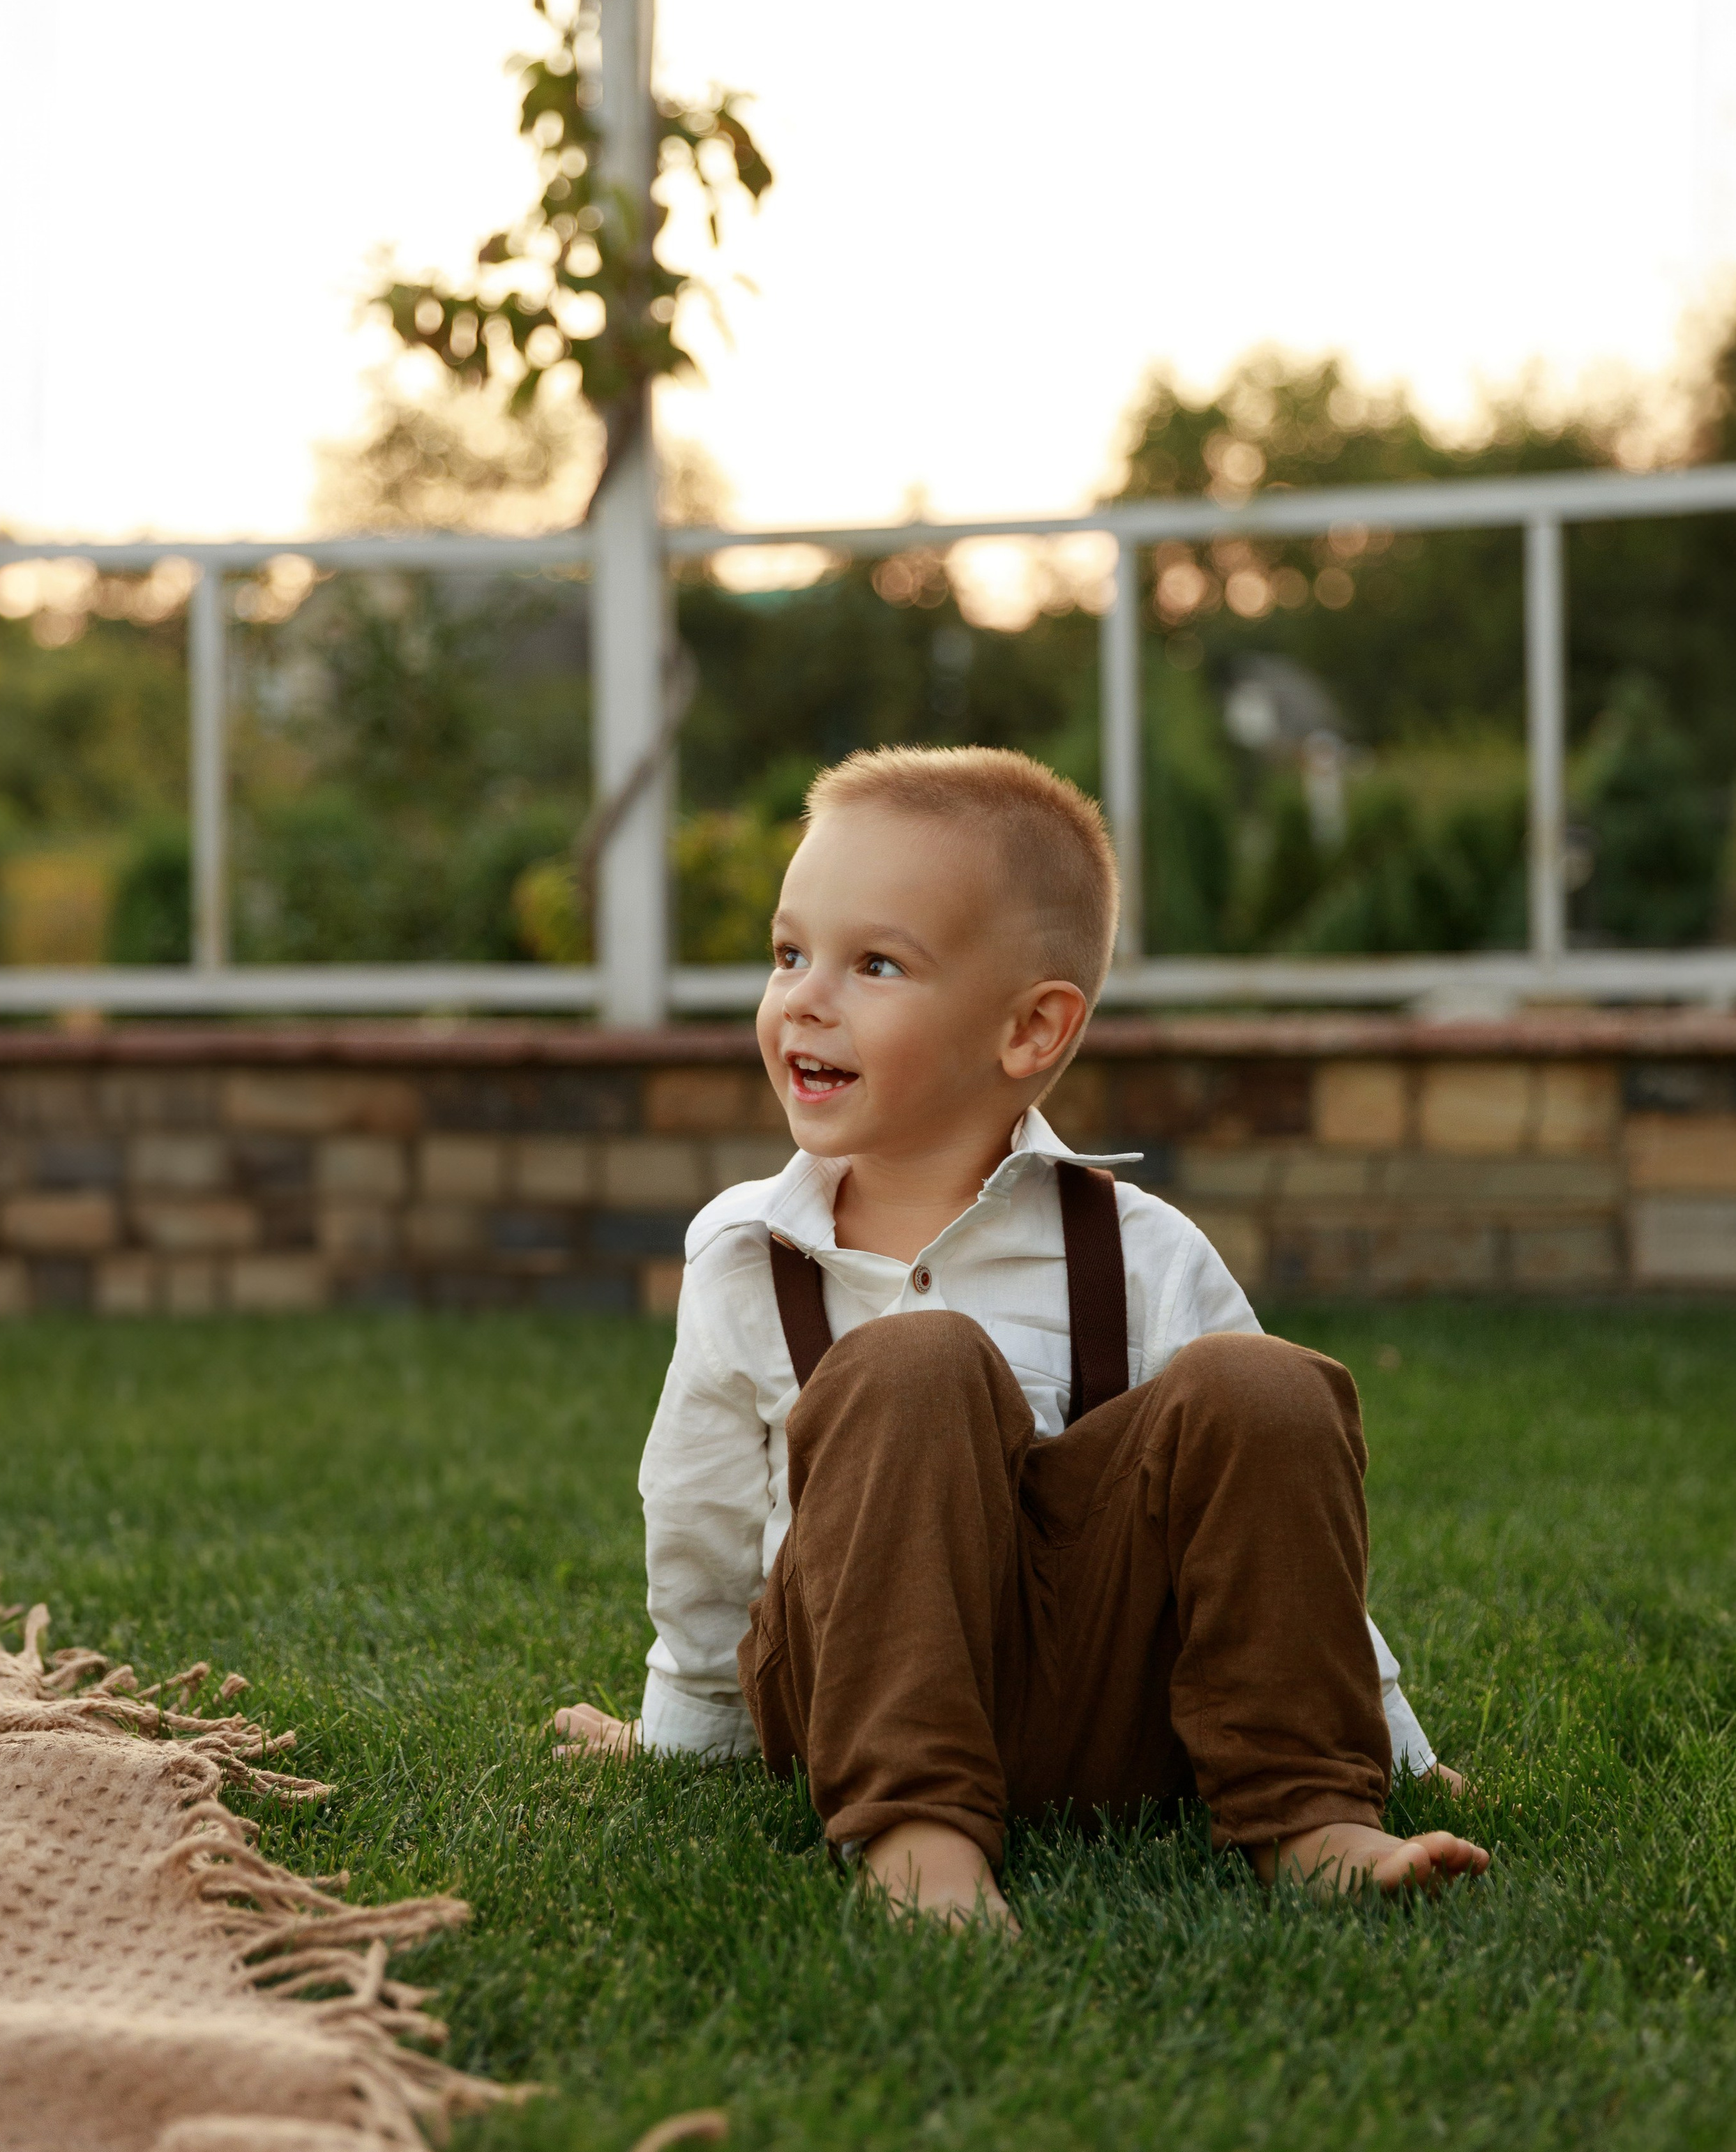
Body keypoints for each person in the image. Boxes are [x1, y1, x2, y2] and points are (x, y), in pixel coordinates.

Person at [555, 746, 1488, 1929]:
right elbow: (702, 1526)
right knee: (914, 1359)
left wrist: (1391, 1742)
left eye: (875, 963)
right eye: (791, 953)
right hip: (855, 1687)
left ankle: (1310, 1820)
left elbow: (1275, 1526)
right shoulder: (749, 1254)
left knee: (1264, 1388)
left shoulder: (1141, 1251)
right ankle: (918, 1837)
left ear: (1031, 1030)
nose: (806, 997)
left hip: (1105, 1697)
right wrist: (681, 1736)